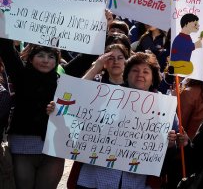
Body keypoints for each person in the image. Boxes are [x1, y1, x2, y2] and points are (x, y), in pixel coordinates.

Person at [73, 52, 177, 188]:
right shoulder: (106, 95)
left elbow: (172, 143)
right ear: (127, 75)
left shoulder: (164, 106)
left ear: (153, 78)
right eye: (135, 70)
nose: (140, 74)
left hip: (137, 181)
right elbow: (76, 101)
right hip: (96, 177)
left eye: (146, 71)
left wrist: (170, 143)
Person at [0, 38, 64, 189]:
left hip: (53, 147)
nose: (46, 60)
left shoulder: (63, 80)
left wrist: (102, 28)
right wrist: (3, 23)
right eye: (40, 55)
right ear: (30, 58)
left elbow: (86, 59)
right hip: (23, 145)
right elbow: (7, 50)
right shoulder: (20, 75)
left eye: (51, 57)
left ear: (57, 61)